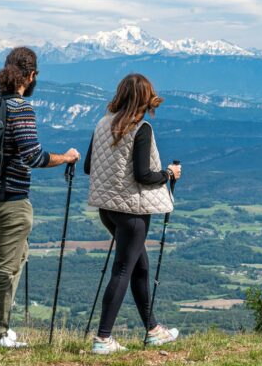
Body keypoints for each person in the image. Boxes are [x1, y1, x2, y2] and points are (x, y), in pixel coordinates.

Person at [0, 46, 80, 348]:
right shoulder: (20, 108)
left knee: (18, 256)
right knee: (4, 267)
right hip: (10, 199)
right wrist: (66, 158)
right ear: (31, 75)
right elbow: (33, 156)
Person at [83, 73, 181, 354]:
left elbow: (90, 167)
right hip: (132, 212)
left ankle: (152, 330)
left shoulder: (102, 124)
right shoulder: (142, 129)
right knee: (124, 269)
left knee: (140, 266)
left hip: (107, 210)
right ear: (145, 98)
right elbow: (143, 175)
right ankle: (103, 339)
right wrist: (168, 174)